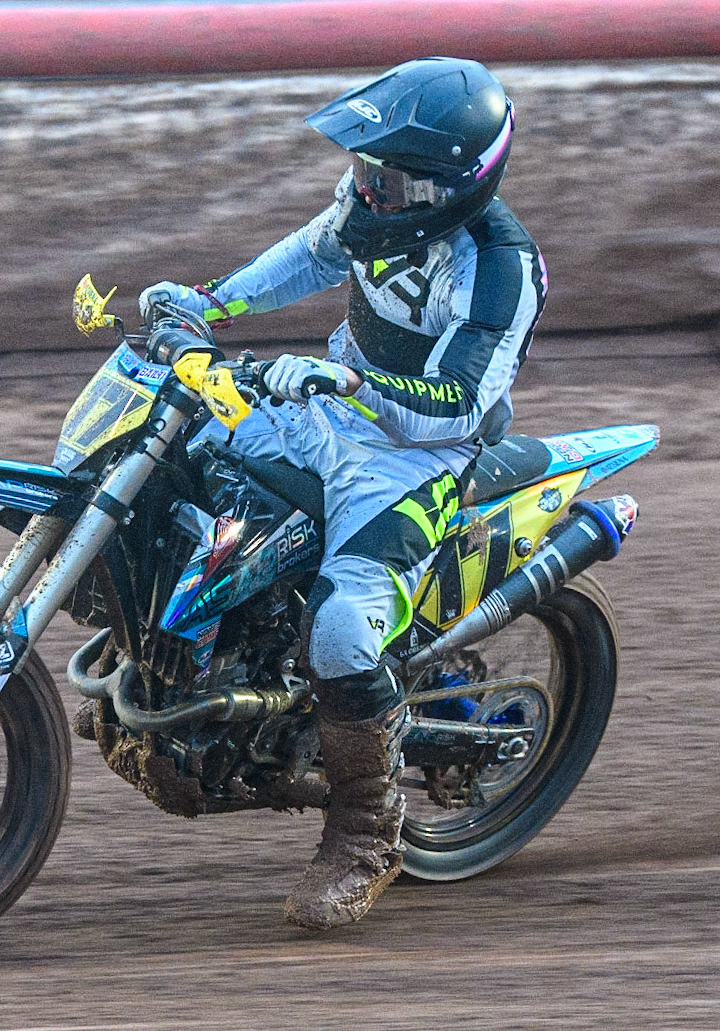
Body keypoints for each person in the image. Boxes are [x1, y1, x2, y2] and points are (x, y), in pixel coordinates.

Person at [140, 56, 547, 930]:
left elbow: (461, 404)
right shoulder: (374, 213)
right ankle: (192, 668)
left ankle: (368, 834)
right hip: (331, 408)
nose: (366, 191)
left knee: (338, 626)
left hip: (415, 461)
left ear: (453, 185)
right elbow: (310, 255)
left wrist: (346, 389)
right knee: (183, 448)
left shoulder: (498, 268)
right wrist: (206, 301)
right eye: (362, 171)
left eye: (387, 180)